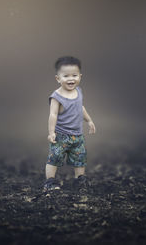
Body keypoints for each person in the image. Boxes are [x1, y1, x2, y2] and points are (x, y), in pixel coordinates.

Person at [43, 56, 96, 192]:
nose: (71, 79)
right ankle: (50, 181)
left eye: (74, 75)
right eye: (66, 76)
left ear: (80, 76)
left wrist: (89, 120)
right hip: (61, 136)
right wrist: (51, 133)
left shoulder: (79, 91)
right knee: (54, 158)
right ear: (58, 78)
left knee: (80, 158)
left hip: (77, 136)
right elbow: (53, 115)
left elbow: (81, 108)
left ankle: (80, 179)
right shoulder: (57, 96)